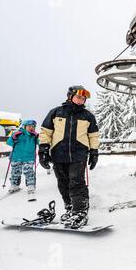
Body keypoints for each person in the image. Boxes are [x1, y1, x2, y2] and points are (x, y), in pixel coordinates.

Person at [38, 85, 99, 229]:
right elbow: (46, 132)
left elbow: (93, 136)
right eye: (79, 97)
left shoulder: (88, 116)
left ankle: (80, 212)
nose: (81, 100)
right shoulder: (56, 112)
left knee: (77, 183)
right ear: (70, 96)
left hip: (79, 155)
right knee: (63, 183)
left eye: (83, 98)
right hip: (58, 154)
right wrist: (43, 150)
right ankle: (70, 207)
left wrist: (94, 152)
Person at [6, 119, 39, 199]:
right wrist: (13, 138)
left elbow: (39, 143)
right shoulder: (18, 134)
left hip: (29, 157)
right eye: (29, 126)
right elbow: (9, 142)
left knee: (29, 172)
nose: (31, 128)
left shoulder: (34, 136)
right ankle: (15, 185)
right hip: (16, 156)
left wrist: (37, 137)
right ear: (24, 126)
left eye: (33, 126)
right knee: (15, 171)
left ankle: (31, 185)